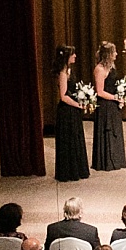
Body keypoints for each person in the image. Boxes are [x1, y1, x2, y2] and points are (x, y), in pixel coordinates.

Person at [53, 45, 90, 183]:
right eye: (73, 54)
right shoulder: (63, 73)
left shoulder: (69, 70)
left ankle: (77, 169)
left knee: (75, 138)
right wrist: (78, 105)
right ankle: (69, 172)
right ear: (66, 56)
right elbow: (63, 96)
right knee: (69, 140)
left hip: (73, 111)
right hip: (66, 111)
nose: (75, 56)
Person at [89, 40, 126, 172]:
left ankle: (116, 159)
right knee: (107, 130)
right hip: (105, 105)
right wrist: (116, 98)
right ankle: (106, 161)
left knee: (115, 131)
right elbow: (100, 92)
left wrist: (122, 95)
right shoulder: (99, 69)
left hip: (113, 104)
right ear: (108, 54)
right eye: (114, 52)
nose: (116, 54)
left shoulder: (112, 66)